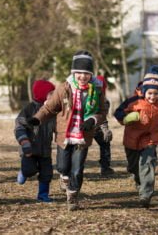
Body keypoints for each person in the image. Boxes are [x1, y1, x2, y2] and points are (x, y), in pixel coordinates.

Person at [26, 50, 106, 211]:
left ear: (91, 74)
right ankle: (63, 177)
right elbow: (49, 107)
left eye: (86, 73)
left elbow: (103, 112)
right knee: (63, 166)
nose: (82, 76)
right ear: (73, 73)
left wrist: (92, 120)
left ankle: (72, 196)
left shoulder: (97, 91)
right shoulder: (63, 88)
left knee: (77, 168)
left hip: (83, 137)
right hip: (65, 135)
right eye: (79, 73)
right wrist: (37, 118)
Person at [114, 65, 158, 208]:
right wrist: (126, 118)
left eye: (156, 93)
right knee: (134, 167)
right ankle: (139, 182)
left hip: (151, 138)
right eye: (149, 93)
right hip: (132, 139)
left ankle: (146, 194)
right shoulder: (134, 101)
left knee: (148, 164)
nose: (153, 97)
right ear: (144, 92)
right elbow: (118, 112)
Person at [14, 79, 56, 202]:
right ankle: (23, 172)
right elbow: (19, 126)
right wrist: (24, 142)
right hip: (29, 149)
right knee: (29, 170)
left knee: (47, 173)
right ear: (43, 94)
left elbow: (58, 126)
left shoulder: (53, 111)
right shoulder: (28, 110)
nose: (54, 96)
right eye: (51, 94)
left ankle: (43, 195)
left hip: (45, 150)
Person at [94, 75, 114, 175]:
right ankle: (105, 167)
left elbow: (103, 116)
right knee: (105, 145)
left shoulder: (105, 101)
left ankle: (105, 167)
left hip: (98, 127)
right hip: (95, 126)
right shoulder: (104, 101)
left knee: (105, 143)